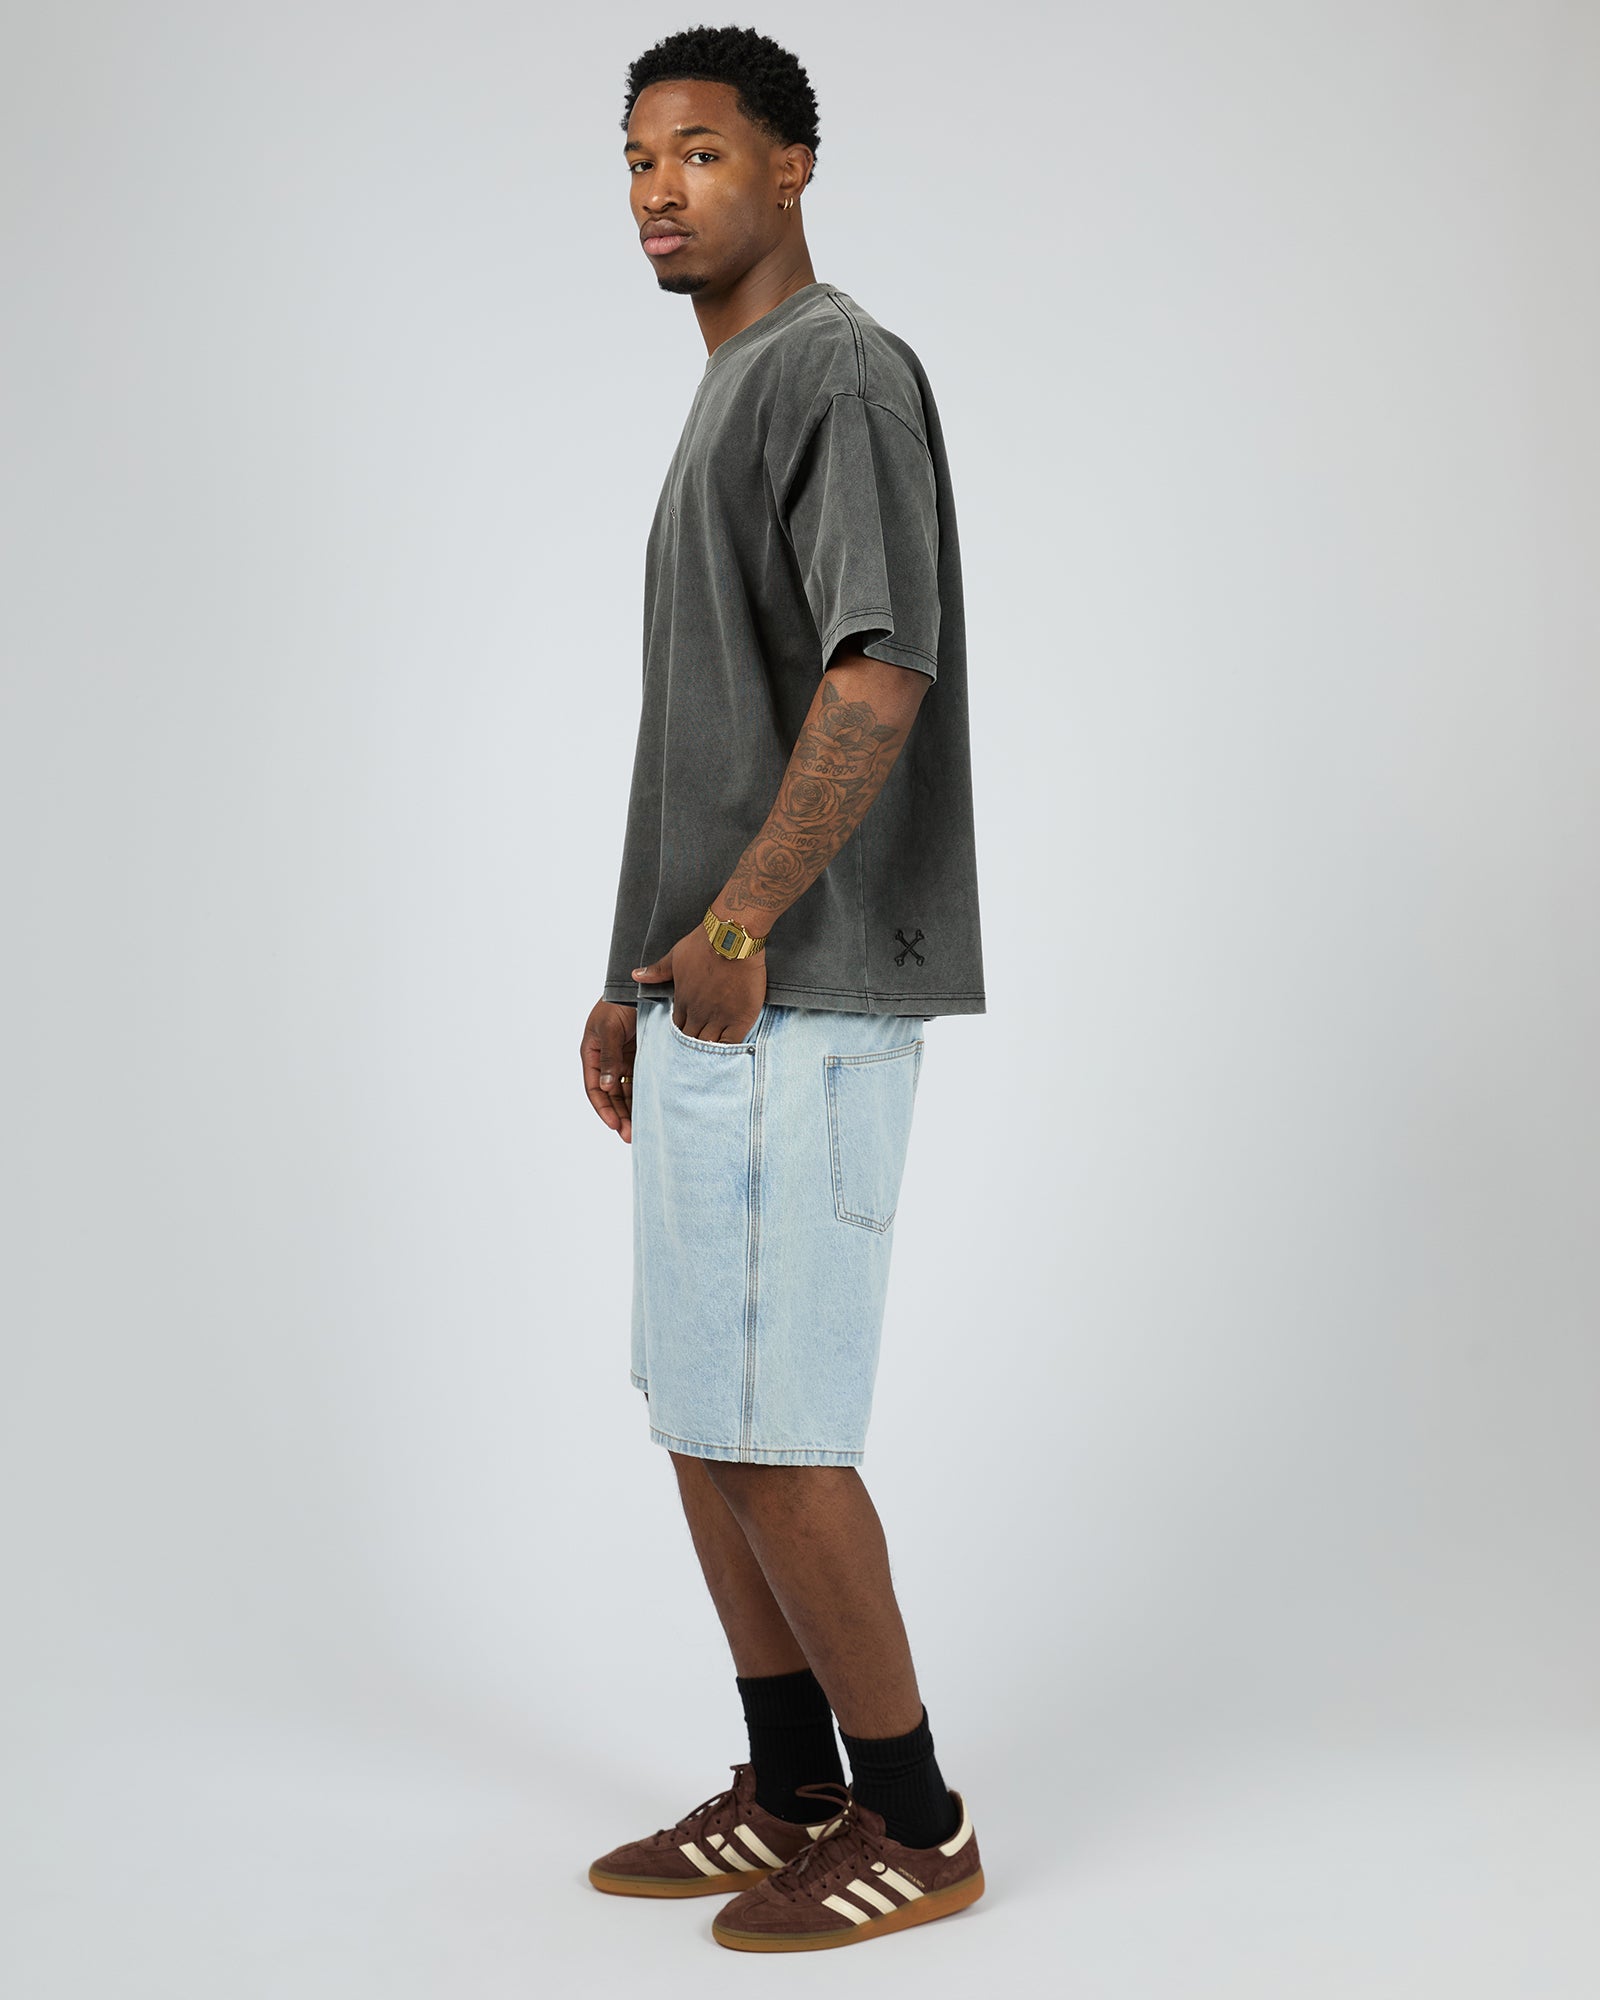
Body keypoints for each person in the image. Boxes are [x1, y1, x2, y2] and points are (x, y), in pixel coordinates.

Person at [578, 25, 988, 1954]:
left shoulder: (836, 369)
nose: (660, 190)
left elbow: (876, 673)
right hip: (713, 991)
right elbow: (709, 732)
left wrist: (739, 932)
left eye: (702, 152)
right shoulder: (730, 390)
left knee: (774, 1426)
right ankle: (792, 1786)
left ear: (793, 167)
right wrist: (630, 973)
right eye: (637, 159)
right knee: (704, 1407)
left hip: (794, 990)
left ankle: (917, 1818)